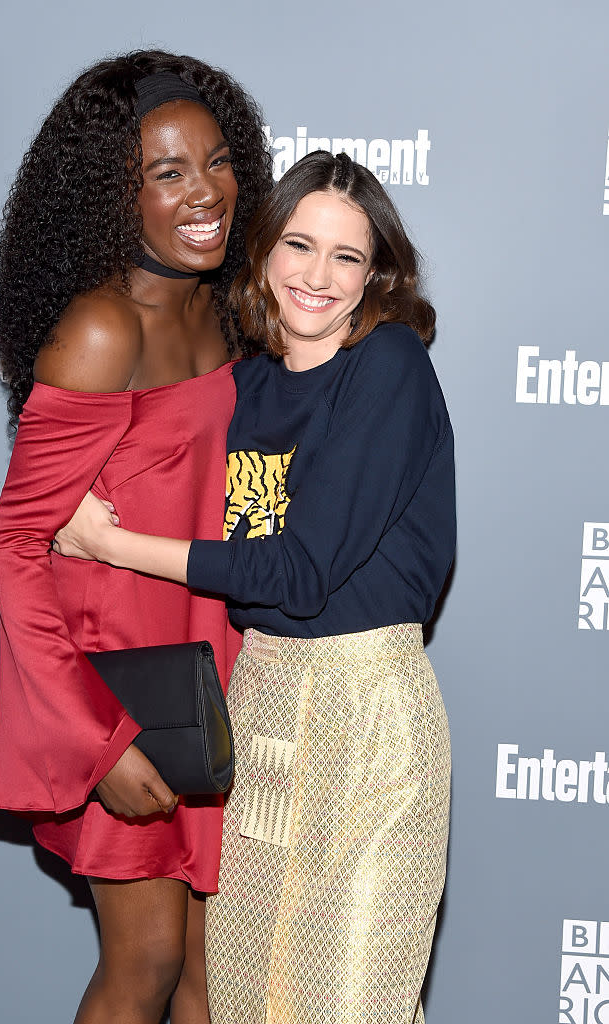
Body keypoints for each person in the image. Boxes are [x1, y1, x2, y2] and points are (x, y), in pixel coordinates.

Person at [54, 149, 455, 1024]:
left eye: (345, 257)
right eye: (298, 247)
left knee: (351, 1002)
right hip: (257, 711)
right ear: (263, 252)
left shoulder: (386, 366)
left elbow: (300, 573)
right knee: (240, 1001)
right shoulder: (246, 382)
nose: (316, 277)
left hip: (367, 729)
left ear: (374, 273)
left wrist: (113, 544)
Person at [0, 50, 272, 1024]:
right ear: (117, 196)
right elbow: (17, 550)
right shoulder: (102, 330)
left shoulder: (232, 309)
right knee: (143, 965)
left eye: (217, 161)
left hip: (225, 680)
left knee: (212, 980)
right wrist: (95, 743)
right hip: (129, 696)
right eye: (167, 172)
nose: (205, 192)